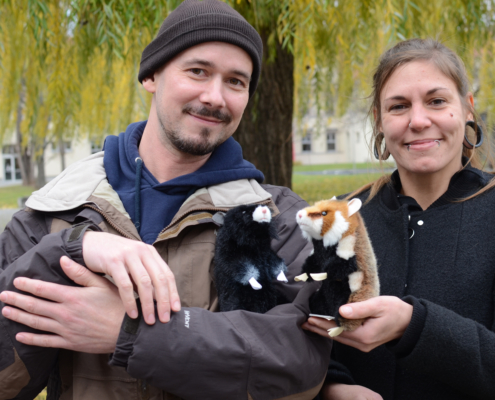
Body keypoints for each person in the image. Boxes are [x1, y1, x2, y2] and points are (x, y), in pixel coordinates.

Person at [0, 1, 332, 399]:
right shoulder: (52, 214)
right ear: (151, 76)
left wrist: (134, 333)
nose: (215, 97)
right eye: (198, 71)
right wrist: (69, 250)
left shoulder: (280, 220)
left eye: (236, 82)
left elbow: (300, 370)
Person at [303, 38, 495, 400]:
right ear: (379, 119)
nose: (418, 121)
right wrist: (333, 386)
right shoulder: (341, 218)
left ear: (468, 109)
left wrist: (414, 326)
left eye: (437, 101)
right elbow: (308, 334)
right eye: (399, 106)